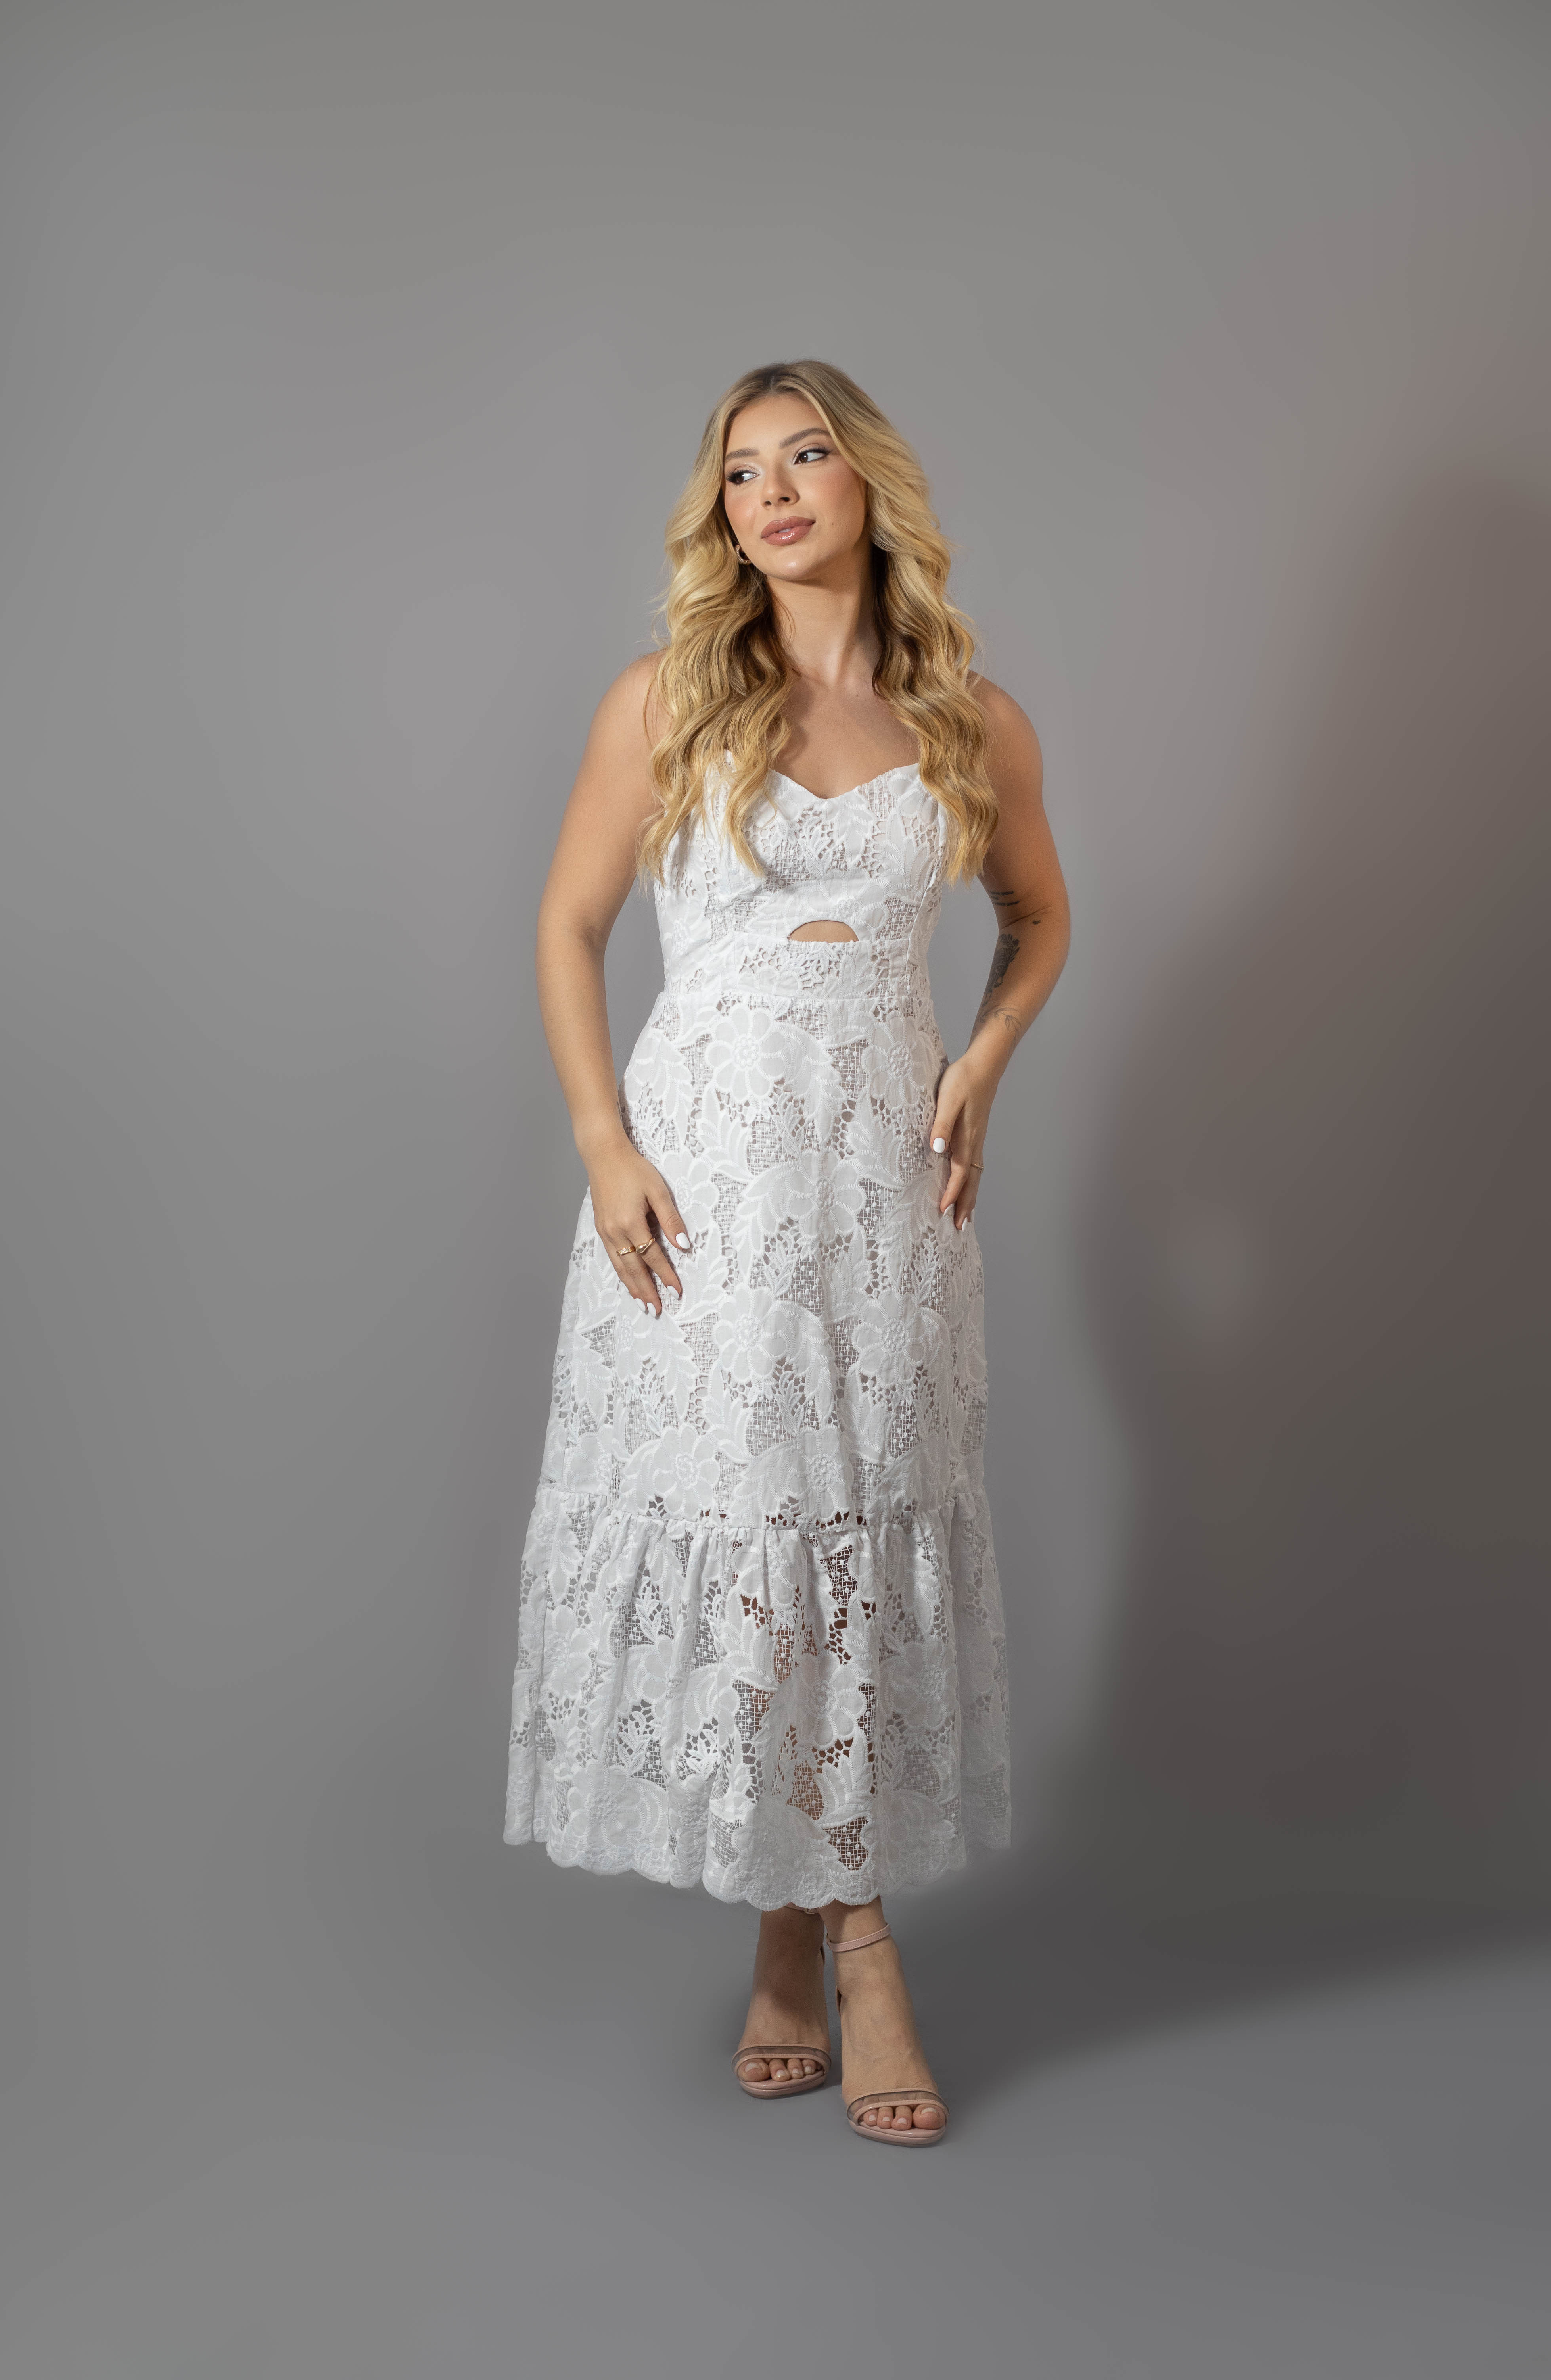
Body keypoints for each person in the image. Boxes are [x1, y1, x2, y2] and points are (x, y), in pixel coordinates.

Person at [504, 359, 1070, 2144]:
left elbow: (1041, 917)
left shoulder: (967, 717)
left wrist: (983, 1060)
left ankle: (792, 1929)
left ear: (867, 481)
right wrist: (603, 1143)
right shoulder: (666, 699)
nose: (772, 492)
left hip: (881, 1196)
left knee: (850, 1526)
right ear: (722, 514)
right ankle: (850, 1943)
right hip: (703, 1186)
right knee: (754, 1526)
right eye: (741, 471)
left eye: (805, 454)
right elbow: (569, 925)